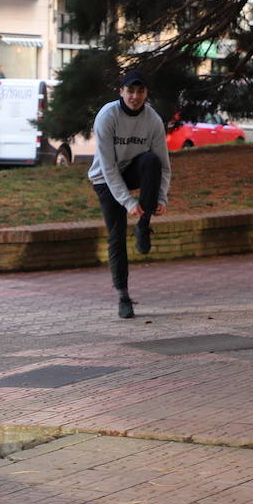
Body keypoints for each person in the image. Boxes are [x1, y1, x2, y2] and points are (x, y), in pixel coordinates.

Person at [89, 69, 171, 319]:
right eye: (130, 91)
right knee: (116, 236)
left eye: (140, 91)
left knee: (151, 161)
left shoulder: (152, 119)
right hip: (105, 178)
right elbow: (108, 166)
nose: (135, 96)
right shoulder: (107, 116)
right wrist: (127, 202)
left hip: (133, 169)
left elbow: (164, 165)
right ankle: (123, 296)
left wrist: (161, 198)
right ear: (121, 92)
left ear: (146, 93)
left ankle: (144, 226)